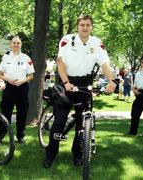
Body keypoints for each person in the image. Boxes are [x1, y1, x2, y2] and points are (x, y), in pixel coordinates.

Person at [43, 14, 116, 168]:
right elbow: (60, 62)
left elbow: (105, 64)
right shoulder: (67, 40)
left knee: (82, 123)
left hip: (85, 83)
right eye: (82, 25)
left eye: (88, 25)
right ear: (78, 26)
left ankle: (78, 154)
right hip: (66, 81)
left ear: (92, 27)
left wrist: (112, 81)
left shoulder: (97, 43)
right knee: (59, 121)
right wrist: (66, 82)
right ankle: (51, 154)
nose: (85, 28)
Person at [0, 36, 35, 144]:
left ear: (21, 45)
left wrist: (22, 81)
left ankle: (20, 136)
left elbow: (31, 75)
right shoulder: (5, 58)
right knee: (5, 113)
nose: (15, 44)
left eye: (18, 43)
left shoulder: (26, 58)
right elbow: (0, 73)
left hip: (22, 88)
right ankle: (0, 136)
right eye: (14, 42)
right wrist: (8, 79)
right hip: (8, 88)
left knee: (22, 113)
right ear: (11, 44)